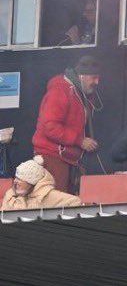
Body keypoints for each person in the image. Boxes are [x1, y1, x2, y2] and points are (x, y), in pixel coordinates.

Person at [32, 55, 102, 193]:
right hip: (52, 157)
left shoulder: (77, 92)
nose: (97, 82)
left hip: (66, 159)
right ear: (82, 76)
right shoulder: (60, 91)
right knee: (56, 203)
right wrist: (80, 140)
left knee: (65, 202)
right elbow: (50, 126)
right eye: (93, 77)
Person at [1, 156, 82, 210]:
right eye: (16, 178)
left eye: (20, 179)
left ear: (31, 182)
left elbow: (76, 202)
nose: (15, 181)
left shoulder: (48, 196)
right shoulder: (10, 196)